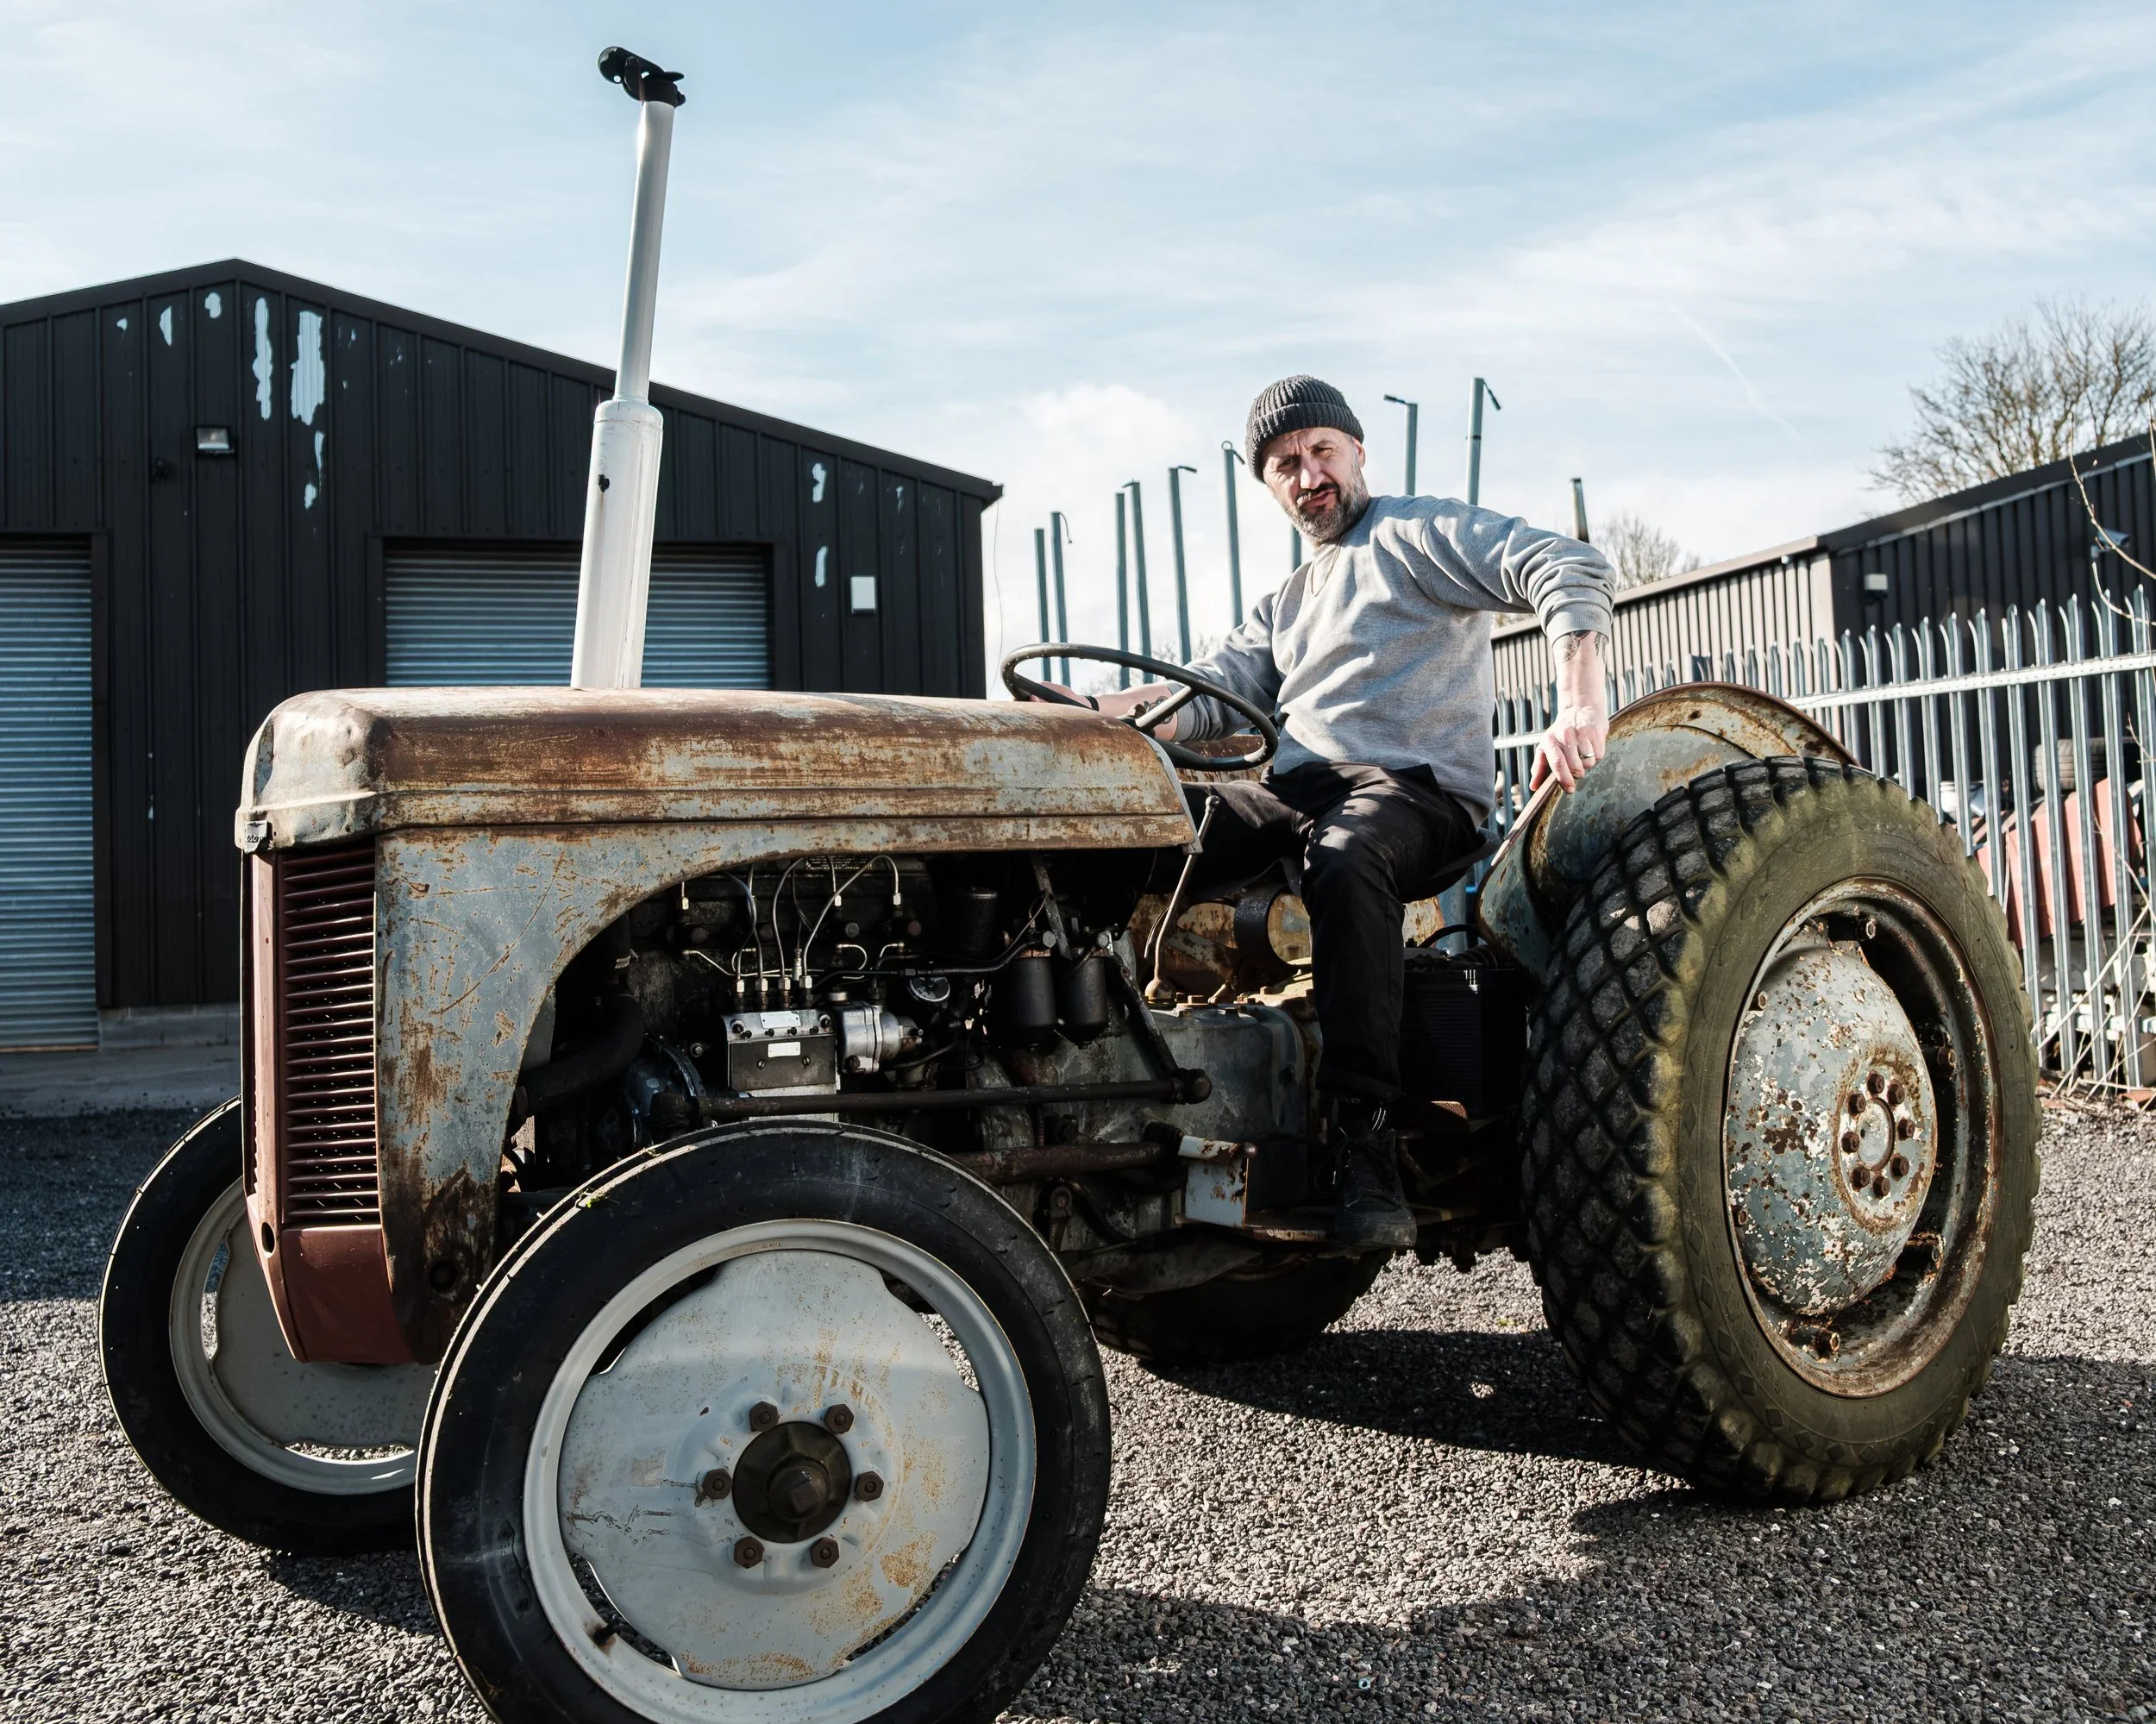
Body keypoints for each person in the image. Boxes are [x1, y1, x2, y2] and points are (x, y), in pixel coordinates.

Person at [1043, 374, 1616, 1249]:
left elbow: (1564, 563)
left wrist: (1578, 699)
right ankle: (1095, 1070)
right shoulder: (1288, 601)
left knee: (1345, 857)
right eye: (1282, 463)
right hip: (1301, 790)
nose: (1306, 472)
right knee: (1141, 837)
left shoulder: (1415, 531)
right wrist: (1084, 710)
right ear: (1269, 486)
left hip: (1416, 791)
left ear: (1355, 451)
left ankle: (1366, 1140)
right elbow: (1207, 698)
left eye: (1319, 450)